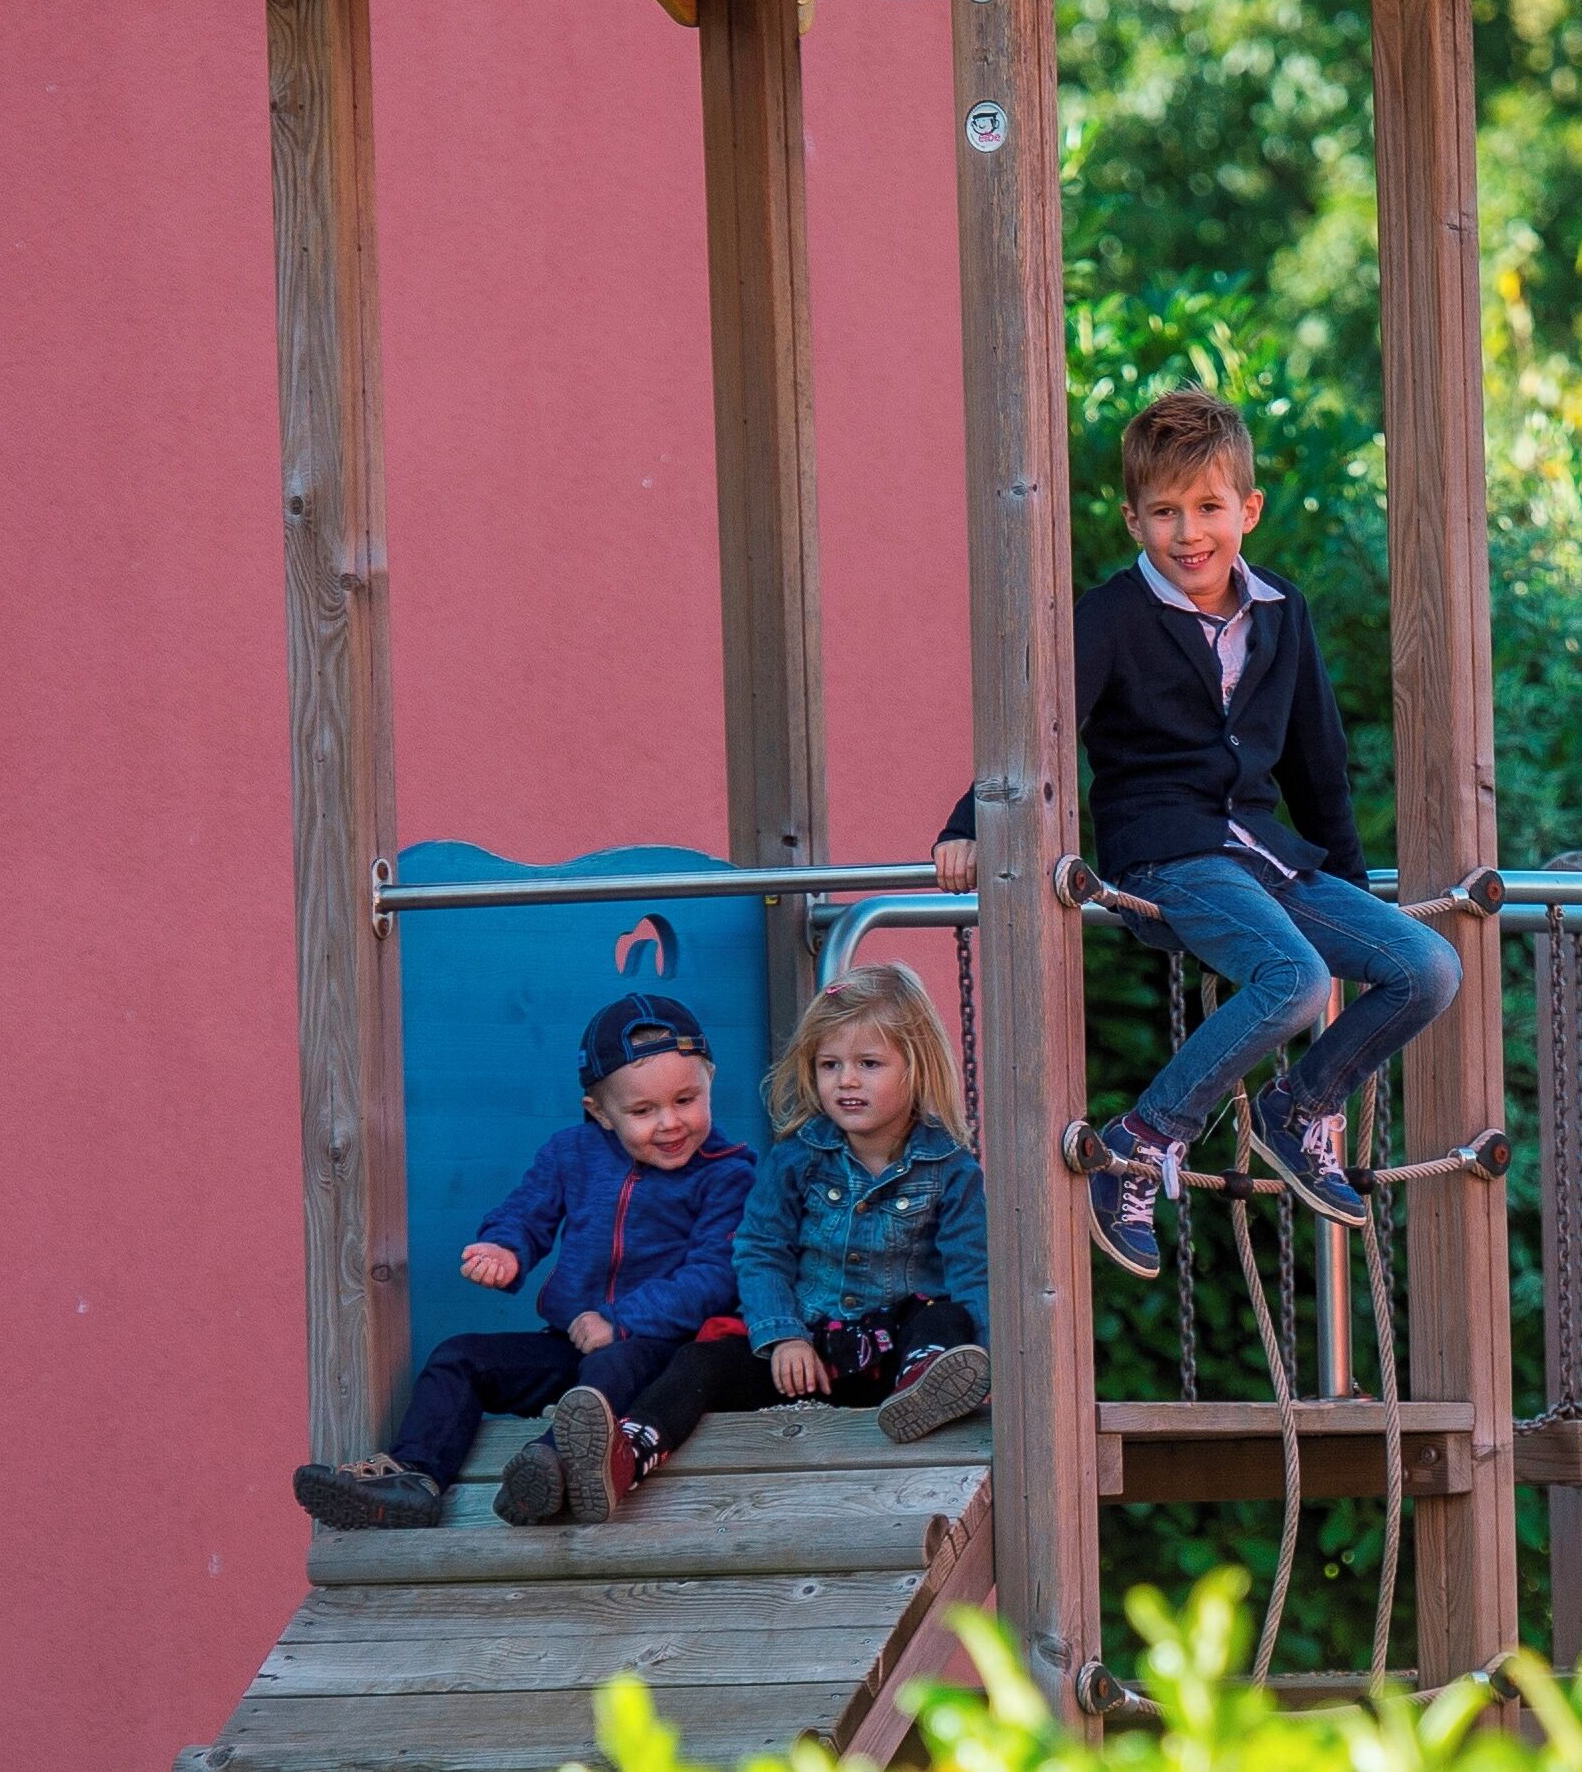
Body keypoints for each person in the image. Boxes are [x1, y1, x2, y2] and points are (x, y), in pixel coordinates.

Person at [934, 388, 1459, 1278]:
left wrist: (1356, 896)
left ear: (1247, 510)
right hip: (1166, 853)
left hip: (1264, 855)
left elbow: (1316, 762)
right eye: (1166, 512)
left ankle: (1300, 1111)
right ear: (1134, 519)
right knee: (1292, 978)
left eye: (1209, 508)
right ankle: (1139, 1143)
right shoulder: (1106, 617)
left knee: (1427, 966)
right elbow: (1041, 728)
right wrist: (967, 824)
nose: (1189, 533)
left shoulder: (1281, 610)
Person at [291, 994, 754, 1529]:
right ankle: (414, 1478)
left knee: (611, 1366)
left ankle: (552, 1465)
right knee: (459, 1357)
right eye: (643, 1111)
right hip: (570, 1343)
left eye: (686, 1099)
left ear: (711, 1081)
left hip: (659, 1350)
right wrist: (506, 1249)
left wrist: (620, 1322)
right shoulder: (570, 1154)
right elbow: (527, 1211)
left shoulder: (728, 1172)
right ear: (600, 1113)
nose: (671, 1123)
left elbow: (714, 1277)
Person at [556, 963, 990, 1522]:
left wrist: (985, 1366)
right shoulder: (798, 1158)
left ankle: (930, 1388)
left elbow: (972, 1271)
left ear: (918, 1066)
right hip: (810, 1356)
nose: (846, 1081)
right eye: (829, 1065)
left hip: (895, 1353)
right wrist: (783, 1336)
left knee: (946, 1315)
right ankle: (627, 1453)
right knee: (699, 1362)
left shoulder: (952, 1170)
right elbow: (761, 1251)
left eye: (868, 1064)